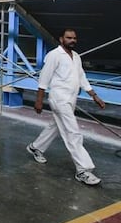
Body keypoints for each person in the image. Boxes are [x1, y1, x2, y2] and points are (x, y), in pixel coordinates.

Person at [26, 28, 106, 186]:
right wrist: (39, 100)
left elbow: (81, 77)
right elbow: (44, 78)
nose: (72, 40)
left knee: (55, 126)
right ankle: (83, 170)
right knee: (72, 132)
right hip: (59, 99)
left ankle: (36, 147)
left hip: (71, 99)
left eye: (74, 38)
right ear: (61, 39)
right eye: (69, 38)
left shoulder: (76, 57)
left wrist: (94, 95)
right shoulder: (54, 55)